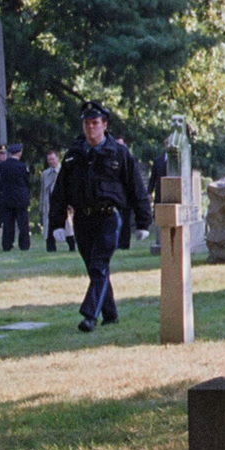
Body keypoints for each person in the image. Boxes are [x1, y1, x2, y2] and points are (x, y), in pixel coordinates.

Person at [49, 101, 152, 333]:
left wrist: (144, 221)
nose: (90, 128)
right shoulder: (74, 155)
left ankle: (89, 316)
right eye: (86, 123)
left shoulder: (120, 154)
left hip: (108, 218)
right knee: (96, 269)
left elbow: (137, 189)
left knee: (99, 266)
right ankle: (111, 315)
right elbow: (60, 192)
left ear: (104, 125)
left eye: (95, 123)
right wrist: (57, 223)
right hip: (83, 220)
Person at [0, 143, 32, 251]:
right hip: (21, 198)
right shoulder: (22, 166)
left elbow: (0, 183)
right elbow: (27, 182)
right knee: (23, 224)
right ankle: (24, 245)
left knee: (8, 223)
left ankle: (7, 245)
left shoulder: (3, 166)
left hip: (7, 198)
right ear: (19, 153)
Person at [42, 150, 75, 253]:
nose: (51, 161)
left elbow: (70, 188)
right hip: (50, 204)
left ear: (57, 158)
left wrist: (71, 204)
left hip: (62, 203)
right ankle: (50, 248)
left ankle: (72, 246)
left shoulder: (65, 171)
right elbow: (43, 191)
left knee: (67, 226)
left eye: (52, 159)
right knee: (49, 227)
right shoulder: (45, 174)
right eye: (49, 160)